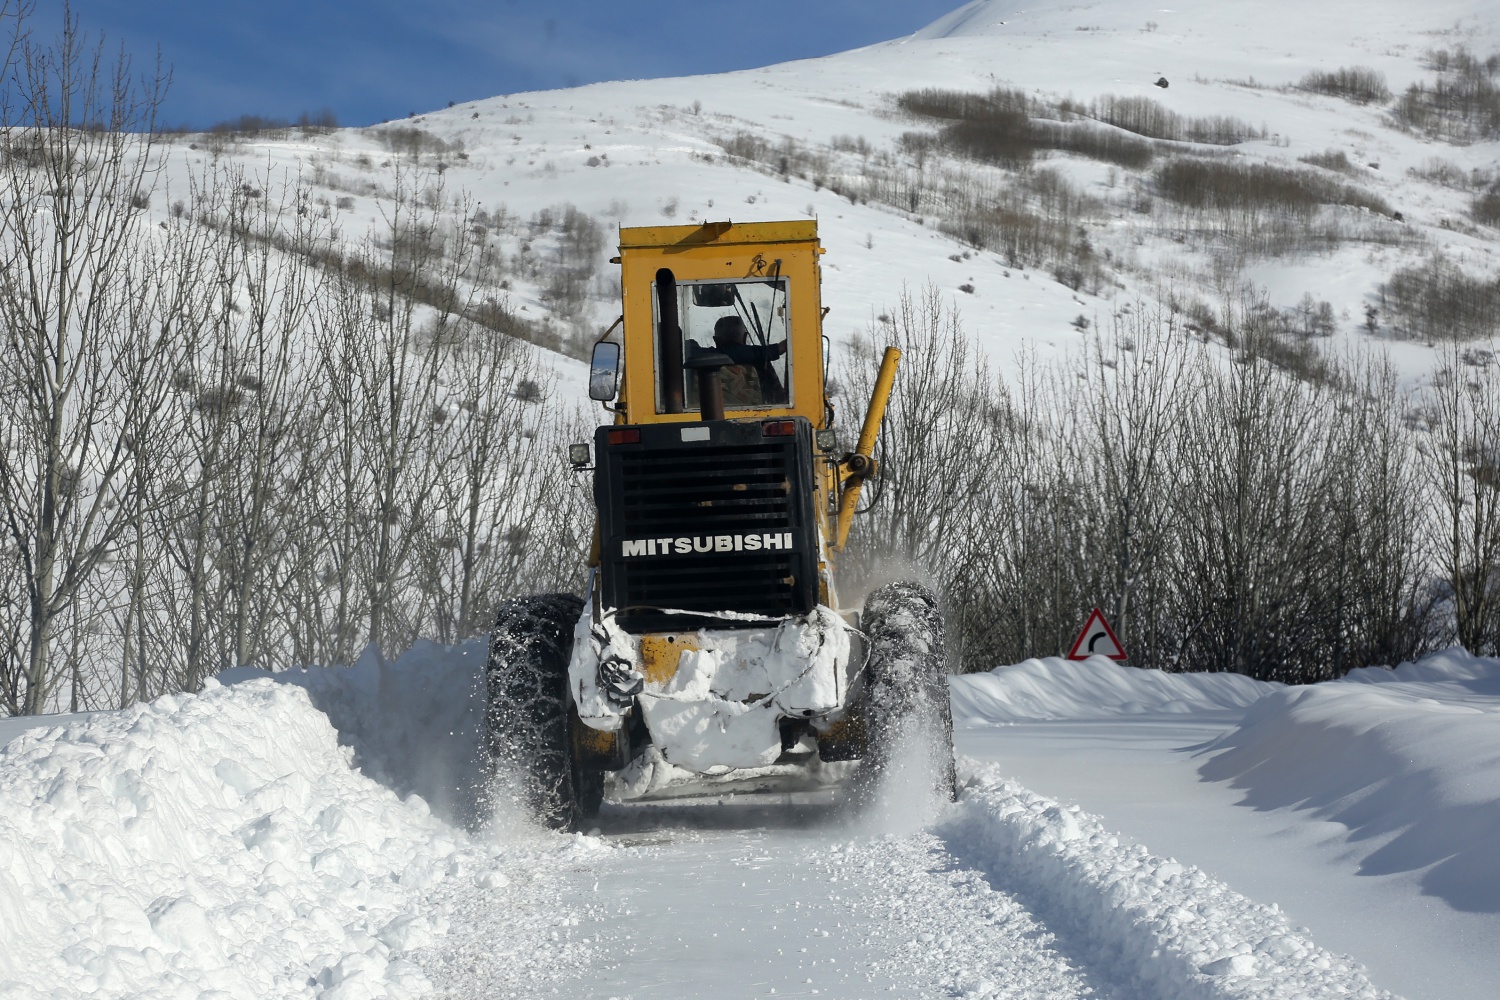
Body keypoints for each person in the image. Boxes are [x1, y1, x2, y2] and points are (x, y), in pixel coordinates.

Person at [712, 315, 787, 405]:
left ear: (715, 340)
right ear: (745, 337)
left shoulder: (700, 363)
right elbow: (780, 400)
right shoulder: (761, 363)